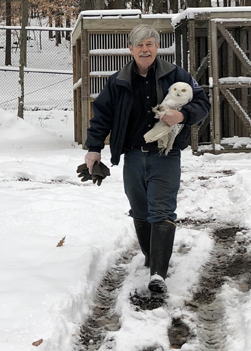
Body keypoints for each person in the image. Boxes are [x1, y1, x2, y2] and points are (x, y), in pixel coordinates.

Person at [84, 24, 210, 297]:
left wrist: (182, 116)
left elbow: (202, 104)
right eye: (139, 45)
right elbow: (101, 116)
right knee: (140, 211)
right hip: (132, 155)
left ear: (157, 48)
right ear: (130, 49)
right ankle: (152, 258)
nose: (145, 49)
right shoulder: (118, 80)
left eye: (150, 44)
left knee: (162, 211)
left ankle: (158, 273)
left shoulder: (177, 75)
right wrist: (94, 149)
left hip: (165, 155)